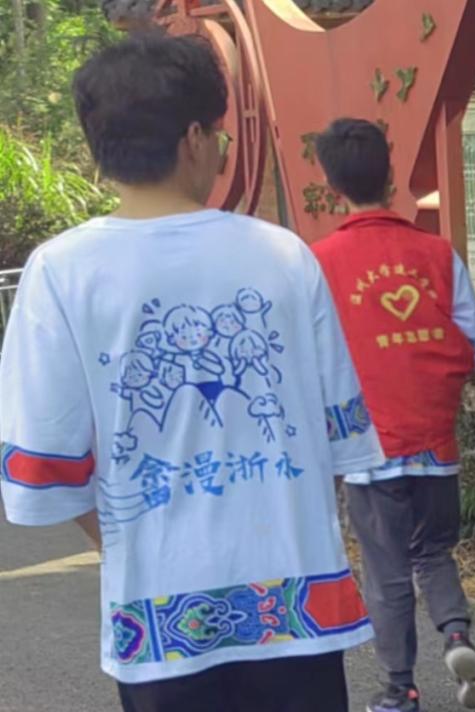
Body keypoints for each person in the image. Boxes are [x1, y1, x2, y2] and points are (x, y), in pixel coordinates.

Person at [0, 34, 385, 712]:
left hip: (160, 621)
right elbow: (336, 440)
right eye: (218, 135)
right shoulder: (283, 257)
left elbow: (46, 467)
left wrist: (126, 542)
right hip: (297, 612)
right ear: (194, 139)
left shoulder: (60, 272)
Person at [312, 118, 475, 712]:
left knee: (386, 570)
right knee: (434, 553)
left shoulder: (319, 263)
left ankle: (400, 689)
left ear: (332, 186)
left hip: (368, 448)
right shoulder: (438, 253)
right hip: (435, 443)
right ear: (390, 177)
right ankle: (457, 636)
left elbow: (312, 359)